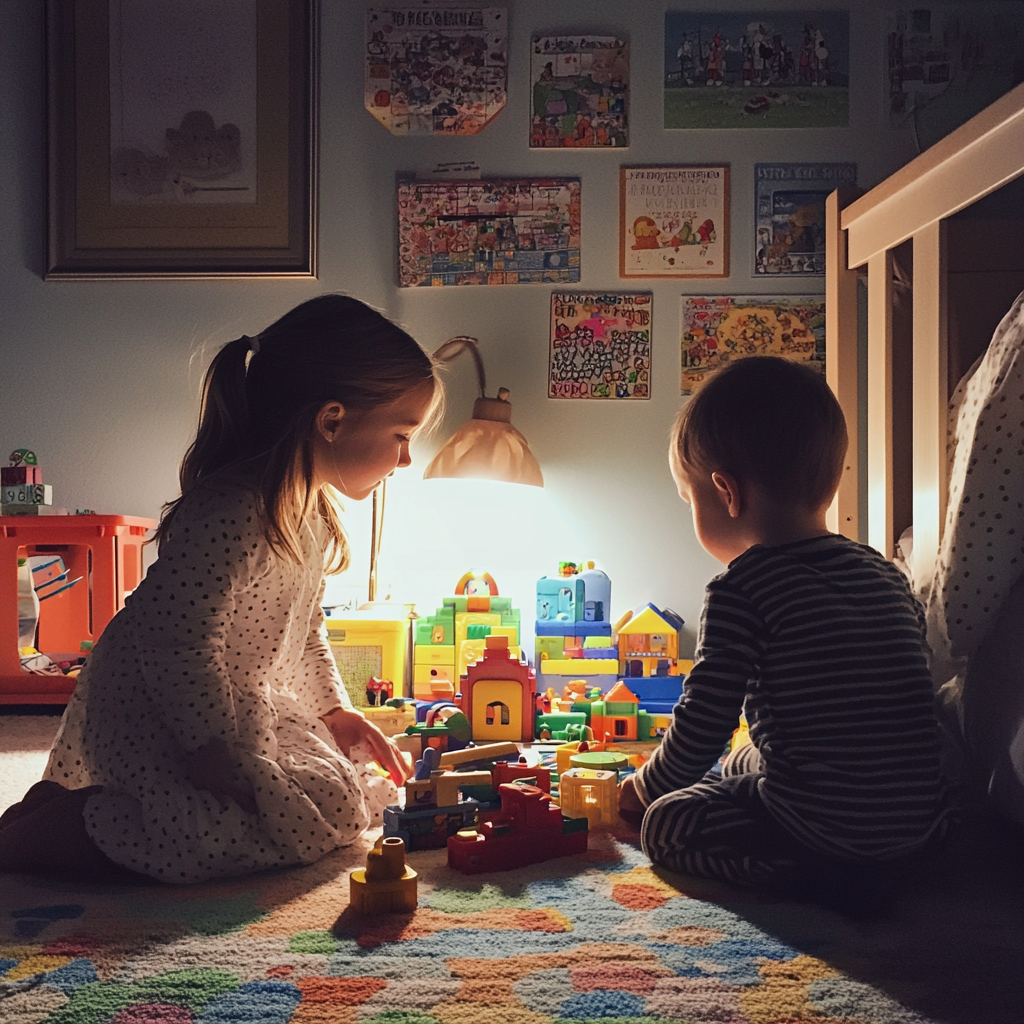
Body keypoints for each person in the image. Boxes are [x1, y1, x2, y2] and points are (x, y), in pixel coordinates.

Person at [0, 295, 436, 883]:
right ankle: (49, 828)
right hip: (163, 710)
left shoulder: (308, 513)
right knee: (202, 838)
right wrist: (208, 749)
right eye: (402, 435)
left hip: (237, 709)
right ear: (331, 419)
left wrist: (335, 711)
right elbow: (175, 644)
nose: (406, 459)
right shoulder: (233, 508)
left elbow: (306, 632)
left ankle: (80, 815)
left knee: (335, 805)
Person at [619, 356, 952, 892]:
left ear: (727, 494)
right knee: (743, 760)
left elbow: (705, 721)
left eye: (691, 501)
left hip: (817, 823)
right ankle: (878, 859)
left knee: (669, 823)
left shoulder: (742, 588)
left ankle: (806, 873)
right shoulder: (885, 574)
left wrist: (643, 787)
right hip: (917, 824)